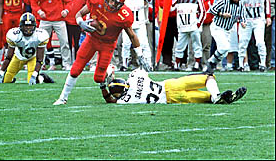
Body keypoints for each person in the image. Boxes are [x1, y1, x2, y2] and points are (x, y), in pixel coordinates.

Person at [53, 0, 152, 105]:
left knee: (98, 77)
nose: (112, 5)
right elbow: (79, 13)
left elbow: (132, 35)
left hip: (108, 45)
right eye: (111, 0)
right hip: (92, 40)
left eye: (116, 3)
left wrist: (140, 55)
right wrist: (81, 23)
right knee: (75, 69)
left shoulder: (124, 15)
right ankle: (63, 98)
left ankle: (109, 71)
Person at [101, 67, 247, 105]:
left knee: (207, 99)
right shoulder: (134, 76)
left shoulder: (126, 100)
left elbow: (110, 100)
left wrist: (103, 87)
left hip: (172, 99)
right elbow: (139, 72)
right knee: (208, 76)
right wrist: (110, 77)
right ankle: (218, 96)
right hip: (171, 85)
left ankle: (217, 98)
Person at [0, 12, 54, 84]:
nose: (28, 28)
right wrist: (1, 74)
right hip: (18, 57)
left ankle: (42, 77)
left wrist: (34, 75)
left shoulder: (40, 35)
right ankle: (11, 79)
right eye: (26, 26)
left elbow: (39, 59)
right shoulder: (14, 35)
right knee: (6, 80)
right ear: (21, 26)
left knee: (32, 81)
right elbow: (8, 57)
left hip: (33, 58)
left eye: (30, 26)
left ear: (34, 26)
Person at [31, 0, 72, 70]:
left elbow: (68, 2)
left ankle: (66, 63)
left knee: (64, 42)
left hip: (59, 19)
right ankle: (41, 63)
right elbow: (34, 3)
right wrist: (39, 11)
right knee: (41, 42)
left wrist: (66, 10)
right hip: (45, 20)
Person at [206, 0, 247, 73]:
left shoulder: (241, 5)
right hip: (217, 27)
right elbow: (211, 10)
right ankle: (211, 62)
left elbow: (242, 16)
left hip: (227, 30)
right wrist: (222, 14)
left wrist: (243, 22)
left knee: (225, 52)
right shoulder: (224, 1)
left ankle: (211, 65)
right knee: (224, 47)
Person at [238, 0, 272, 72]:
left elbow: (267, 2)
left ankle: (262, 63)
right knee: (243, 42)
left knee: (260, 42)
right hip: (246, 19)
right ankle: (242, 64)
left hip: (258, 19)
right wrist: (240, 19)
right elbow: (238, 4)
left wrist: (268, 16)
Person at [173, 0, 206, 71]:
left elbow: (203, 12)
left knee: (197, 45)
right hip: (182, 26)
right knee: (179, 46)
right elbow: (172, 7)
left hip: (193, 26)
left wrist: (198, 23)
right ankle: (177, 63)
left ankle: (196, 64)